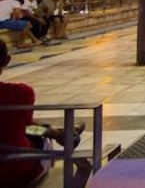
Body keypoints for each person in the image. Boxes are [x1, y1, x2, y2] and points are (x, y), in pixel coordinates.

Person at [0, 41, 86, 186]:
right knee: (39, 134)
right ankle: (63, 134)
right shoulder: (20, 93)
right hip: (15, 169)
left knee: (31, 128)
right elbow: (26, 127)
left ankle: (61, 133)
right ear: (7, 60)